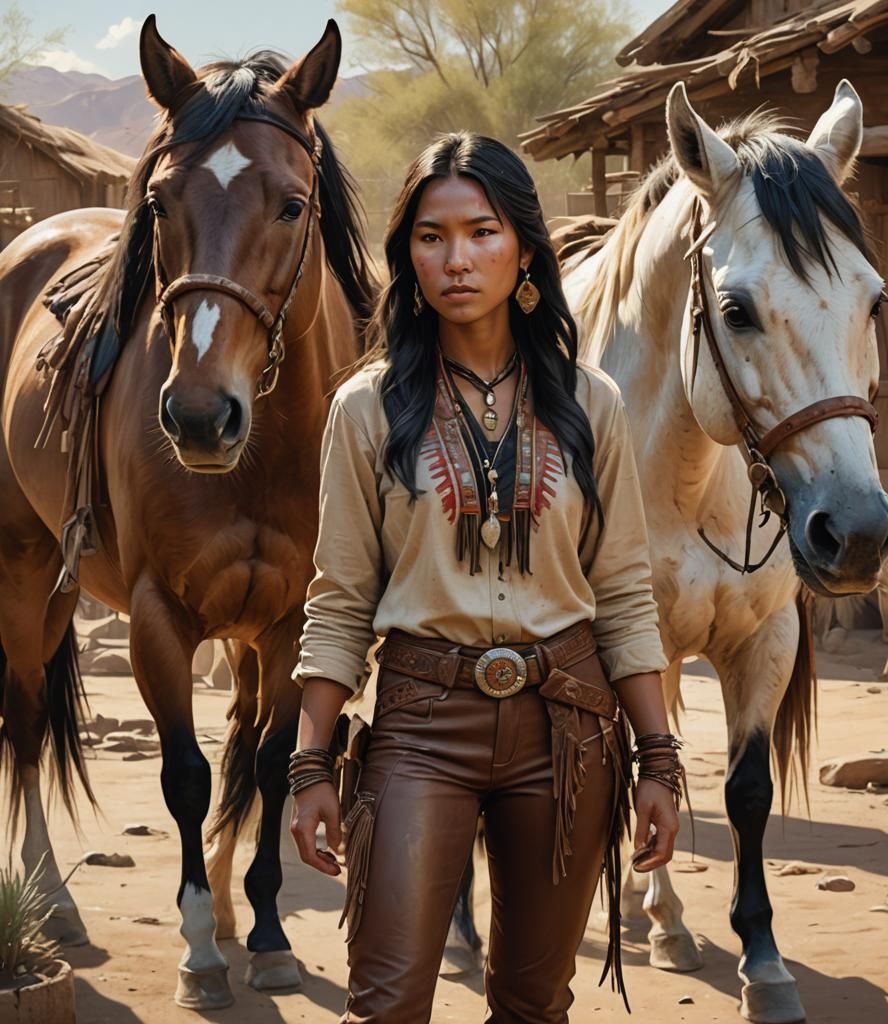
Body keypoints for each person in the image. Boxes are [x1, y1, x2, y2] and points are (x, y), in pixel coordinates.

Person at [288, 131, 683, 1024]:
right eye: (431, 237)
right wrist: (309, 765)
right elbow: (340, 601)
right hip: (421, 724)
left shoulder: (593, 404)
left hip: (570, 727)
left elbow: (622, 592)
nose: (456, 259)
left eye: (482, 232)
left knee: (535, 1002)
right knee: (386, 1002)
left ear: (526, 251)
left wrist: (657, 758)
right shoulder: (366, 408)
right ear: (408, 256)